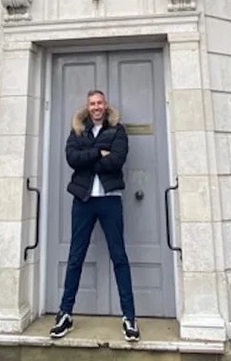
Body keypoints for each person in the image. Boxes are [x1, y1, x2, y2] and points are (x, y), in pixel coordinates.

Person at [49, 89, 140, 342]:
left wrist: (88, 158)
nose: (96, 107)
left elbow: (117, 160)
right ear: (87, 107)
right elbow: (72, 158)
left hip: (110, 200)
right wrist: (99, 153)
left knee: (119, 257)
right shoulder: (78, 130)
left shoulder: (117, 130)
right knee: (75, 257)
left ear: (105, 105)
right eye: (92, 103)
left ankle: (129, 317)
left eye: (100, 103)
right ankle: (65, 313)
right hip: (84, 200)